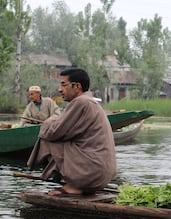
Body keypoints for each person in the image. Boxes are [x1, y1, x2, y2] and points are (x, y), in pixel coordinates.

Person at [27, 68, 117, 196]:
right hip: (102, 175)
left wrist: (49, 121)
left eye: (64, 84)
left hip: (92, 174)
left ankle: (74, 185)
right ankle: (71, 180)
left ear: (77, 86)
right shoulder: (90, 102)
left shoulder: (80, 102)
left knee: (47, 138)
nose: (60, 89)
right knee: (56, 136)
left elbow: (53, 132)